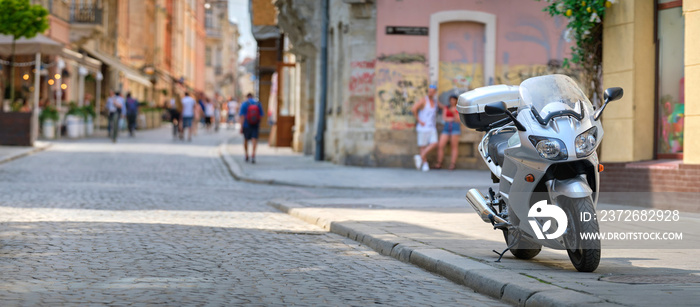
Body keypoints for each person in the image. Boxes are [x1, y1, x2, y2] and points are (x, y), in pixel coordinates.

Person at [411, 84, 440, 172]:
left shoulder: (435, 102)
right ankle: (425, 164)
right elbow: (414, 108)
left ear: (435, 92)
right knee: (422, 146)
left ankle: (420, 157)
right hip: (423, 127)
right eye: (429, 91)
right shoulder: (424, 100)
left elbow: (442, 107)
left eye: (432, 91)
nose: (430, 93)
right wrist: (419, 120)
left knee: (434, 143)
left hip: (431, 127)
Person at [434, 95, 461, 170]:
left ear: (456, 100)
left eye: (453, 100)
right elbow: (444, 118)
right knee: (440, 145)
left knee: (454, 146)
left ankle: (452, 164)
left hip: (455, 127)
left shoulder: (458, 108)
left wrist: (454, 113)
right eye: (451, 100)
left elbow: (458, 120)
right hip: (446, 127)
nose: (452, 101)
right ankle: (439, 163)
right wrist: (453, 118)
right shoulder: (446, 107)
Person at [239, 93, 264, 163]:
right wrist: (259, 124)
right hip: (255, 124)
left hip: (246, 125)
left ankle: (246, 154)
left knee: (246, 139)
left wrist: (241, 127)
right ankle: (253, 154)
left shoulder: (244, 104)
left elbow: (242, 116)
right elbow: (261, 115)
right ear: (252, 96)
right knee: (254, 139)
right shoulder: (258, 104)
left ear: (247, 97)